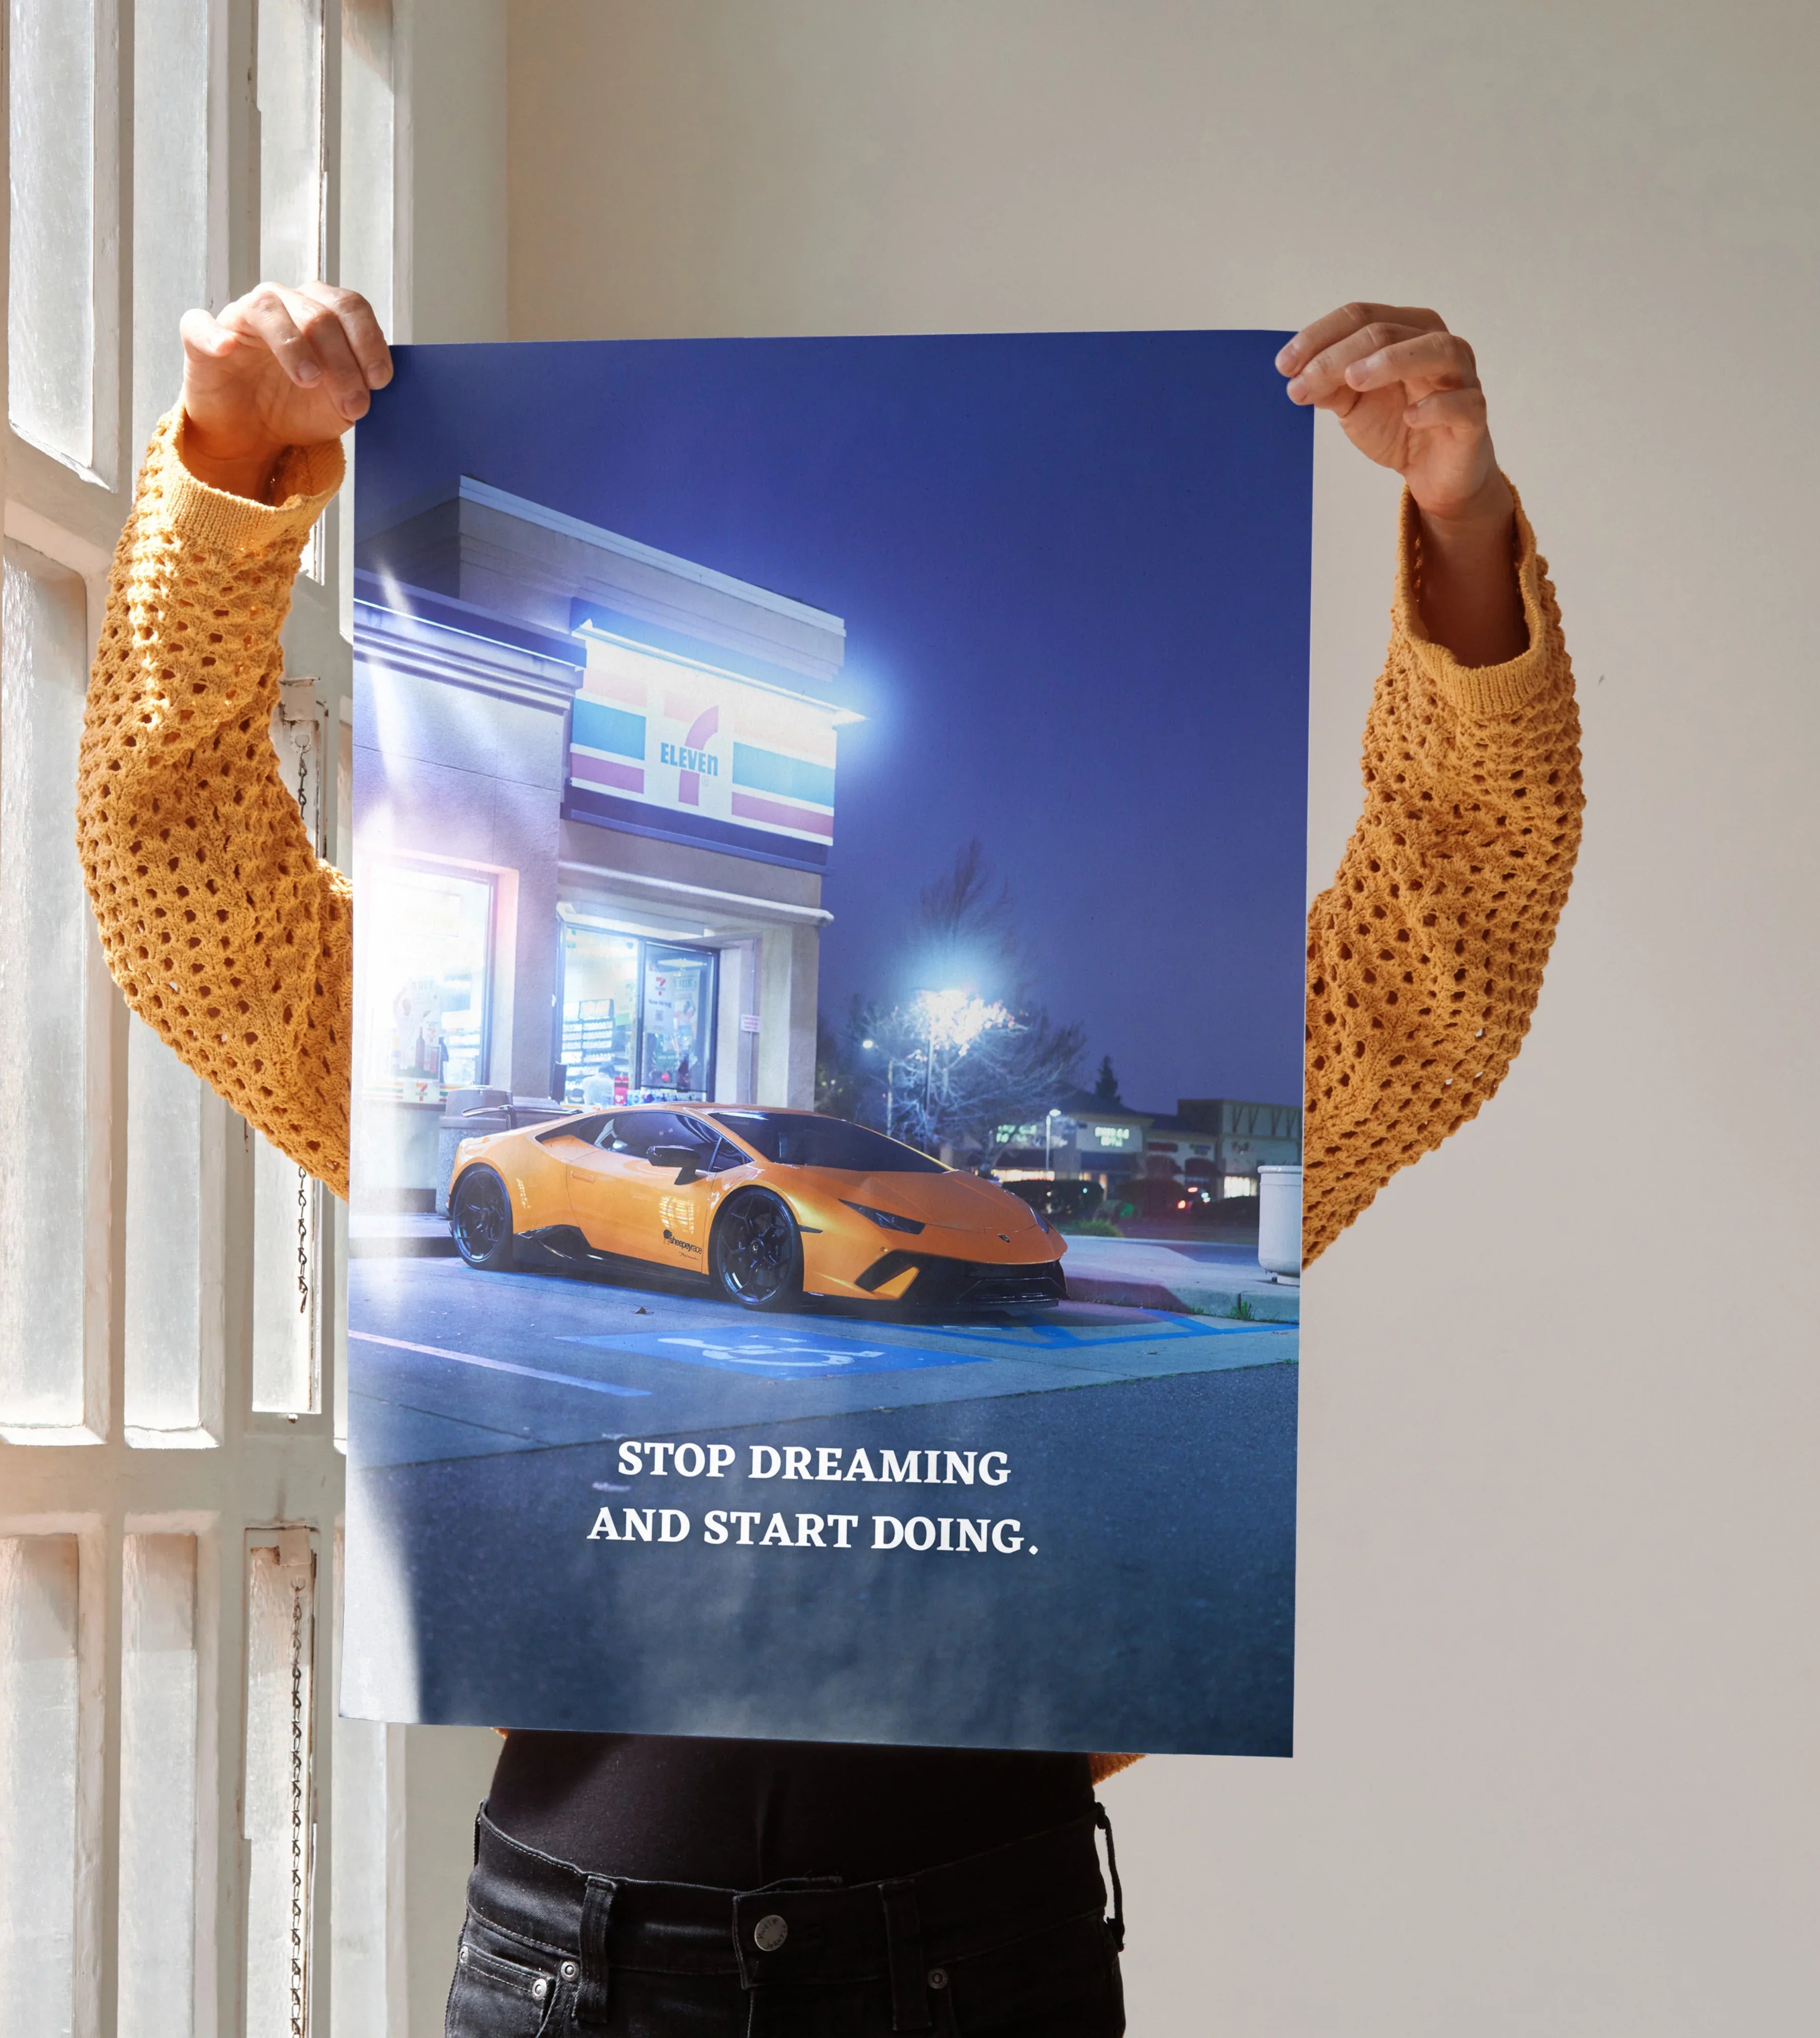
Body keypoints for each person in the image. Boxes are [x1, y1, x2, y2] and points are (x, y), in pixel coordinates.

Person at [77, 284, 1582, 2035]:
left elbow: (1439, 968)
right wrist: (228, 469)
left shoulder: (942, 1164)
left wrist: (1461, 529)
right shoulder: (507, 1131)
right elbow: (177, 877)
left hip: (983, 1953)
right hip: (583, 1967)